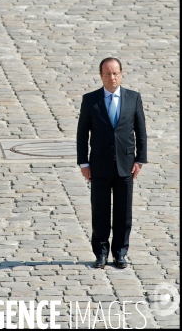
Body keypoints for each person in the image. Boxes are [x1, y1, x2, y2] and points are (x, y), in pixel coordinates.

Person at [76, 57, 147, 268]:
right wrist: (83, 163)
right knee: (100, 211)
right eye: (107, 74)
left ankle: (120, 253)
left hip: (126, 164)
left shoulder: (133, 98)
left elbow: (140, 131)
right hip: (99, 165)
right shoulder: (91, 100)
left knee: (124, 213)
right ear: (101, 76)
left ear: (121, 74)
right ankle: (100, 253)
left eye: (115, 73)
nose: (112, 77)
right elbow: (82, 134)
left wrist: (140, 160)